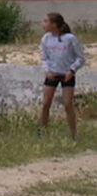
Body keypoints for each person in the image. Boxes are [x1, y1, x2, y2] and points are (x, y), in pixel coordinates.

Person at [39, 12, 86, 141]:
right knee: (45, 103)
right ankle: (42, 132)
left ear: (54, 25)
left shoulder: (70, 38)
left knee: (67, 104)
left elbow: (80, 58)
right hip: (52, 74)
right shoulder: (46, 38)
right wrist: (48, 71)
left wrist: (72, 70)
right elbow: (44, 58)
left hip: (67, 74)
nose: (44, 24)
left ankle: (73, 135)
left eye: (46, 22)